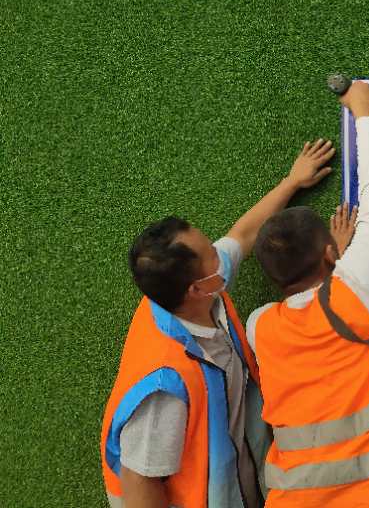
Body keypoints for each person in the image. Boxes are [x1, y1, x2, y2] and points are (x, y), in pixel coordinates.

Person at [100, 139, 336, 508]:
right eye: (212, 254)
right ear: (197, 289)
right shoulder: (163, 391)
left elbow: (242, 235)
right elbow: (139, 485)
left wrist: (292, 182)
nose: (220, 253)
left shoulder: (185, 293)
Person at [246, 81, 369, 507]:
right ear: (328, 253)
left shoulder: (259, 326)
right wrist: (362, 109)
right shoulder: (359, 286)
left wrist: (337, 257)